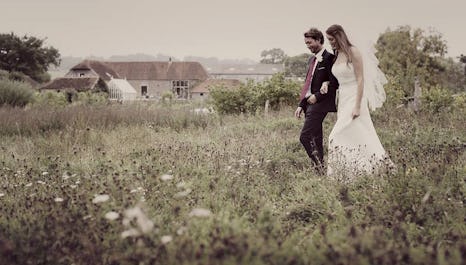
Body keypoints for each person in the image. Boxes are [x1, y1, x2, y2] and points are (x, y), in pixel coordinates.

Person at [323, 24, 392, 181]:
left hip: (355, 97)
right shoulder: (337, 53)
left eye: (332, 39)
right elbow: (337, 77)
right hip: (343, 98)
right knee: (355, 134)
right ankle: (354, 173)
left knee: (334, 136)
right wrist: (326, 83)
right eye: (328, 40)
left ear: (339, 36)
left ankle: (343, 174)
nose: (330, 42)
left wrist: (357, 106)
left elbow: (361, 79)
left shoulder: (353, 51)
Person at [295, 28, 339, 175]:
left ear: (319, 40)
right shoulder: (311, 59)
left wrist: (318, 96)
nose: (308, 45)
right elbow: (308, 84)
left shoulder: (329, 58)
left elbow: (334, 83)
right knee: (315, 137)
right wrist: (301, 105)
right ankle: (320, 172)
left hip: (321, 103)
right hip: (309, 103)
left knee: (305, 137)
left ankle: (319, 167)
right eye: (306, 43)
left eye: (310, 42)